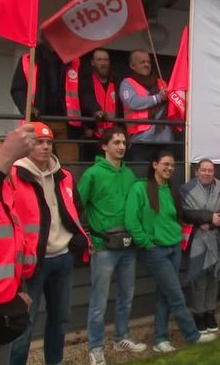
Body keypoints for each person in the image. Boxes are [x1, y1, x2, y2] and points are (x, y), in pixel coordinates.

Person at [9, 122, 91, 365]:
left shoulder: (64, 175)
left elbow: (75, 209)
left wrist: (78, 237)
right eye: (38, 142)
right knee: (24, 326)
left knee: (61, 320)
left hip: (63, 258)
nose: (45, 147)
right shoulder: (14, 176)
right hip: (31, 262)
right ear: (28, 144)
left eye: (49, 142)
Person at [125, 151, 216, 353]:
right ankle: (192, 335)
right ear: (154, 164)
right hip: (155, 251)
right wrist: (147, 243)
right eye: (165, 164)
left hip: (174, 248)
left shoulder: (170, 189)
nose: (169, 168)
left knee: (165, 294)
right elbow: (131, 220)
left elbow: (176, 219)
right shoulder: (140, 188)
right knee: (175, 294)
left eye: (172, 165)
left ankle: (160, 339)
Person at [79, 127, 145, 365]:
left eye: (124, 142)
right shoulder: (93, 174)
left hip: (128, 245)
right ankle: (95, 348)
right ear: (104, 146)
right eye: (116, 142)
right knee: (99, 301)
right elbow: (77, 205)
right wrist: (88, 237)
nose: (121, 146)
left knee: (126, 295)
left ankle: (121, 336)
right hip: (104, 246)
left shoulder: (129, 175)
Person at [0, 124, 36, 365]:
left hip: (6, 302)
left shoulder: (4, 190)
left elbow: (11, 244)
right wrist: (5, 157)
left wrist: (17, 288)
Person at [10, 43, 83, 162]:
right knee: (36, 162)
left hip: (66, 123)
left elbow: (84, 91)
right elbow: (18, 89)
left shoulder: (74, 61)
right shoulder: (28, 59)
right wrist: (27, 108)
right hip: (38, 121)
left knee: (71, 164)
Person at [180, 159, 220, 335]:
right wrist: (208, 217)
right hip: (196, 240)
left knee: (214, 278)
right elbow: (187, 212)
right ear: (196, 172)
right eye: (203, 170)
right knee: (199, 279)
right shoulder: (187, 189)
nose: (207, 173)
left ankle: (210, 312)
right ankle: (199, 313)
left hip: (216, 237)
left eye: (210, 170)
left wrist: (212, 222)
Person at [120, 49, 172, 162]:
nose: (146, 64)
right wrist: (157, 98)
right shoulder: (127, 83)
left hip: (164, 139)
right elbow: (132, 102)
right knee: (141, 176)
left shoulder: (161, 83)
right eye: (142, 62)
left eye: (148, 62)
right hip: (141, 140)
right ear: (132, 66)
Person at [79, 48, 119, 162]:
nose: (103, 63)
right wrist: (95, 112)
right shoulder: (86, 80)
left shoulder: (116, 81)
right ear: (93, 62)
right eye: (99, 60)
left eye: (105, 60)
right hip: (92, 136)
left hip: (113, 136)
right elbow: (86, 99)